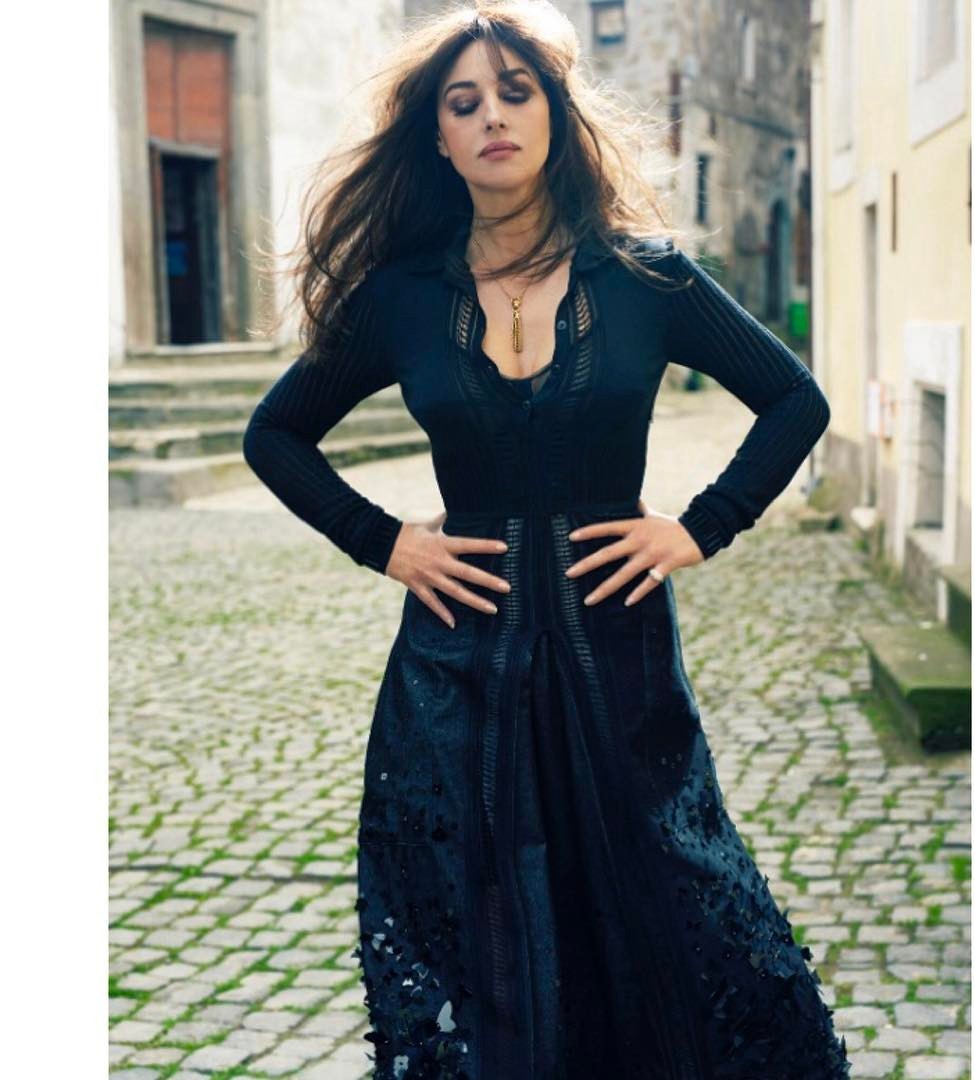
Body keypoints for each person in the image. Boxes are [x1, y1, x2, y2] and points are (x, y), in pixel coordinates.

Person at [243, 2, 850, 1077]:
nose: (492, 117)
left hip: (618, 656)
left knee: (666, 898)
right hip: (455, 669)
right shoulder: (402, 299)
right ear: (438, 137)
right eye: (463, 102)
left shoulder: (647, 278)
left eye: (515, 93)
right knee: (482, 919)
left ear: (556, 116)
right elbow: (275, 435)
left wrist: (699, 527)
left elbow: (795, 399)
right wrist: (388, 543)